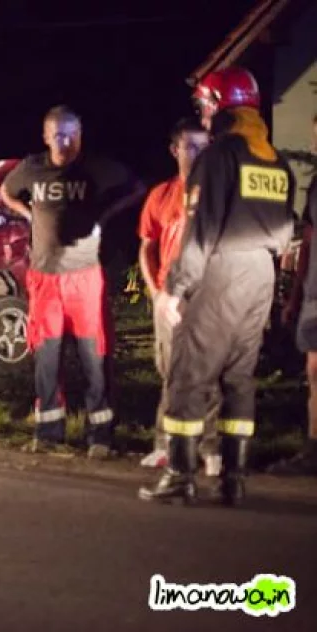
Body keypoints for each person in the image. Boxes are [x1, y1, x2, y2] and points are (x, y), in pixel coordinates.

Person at [140, 66, 296, 505]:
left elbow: (202, 231)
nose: (203, 114)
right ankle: (234, 480)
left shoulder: (219, 157)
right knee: (240, 378)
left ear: (219, 105)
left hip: (222, 270)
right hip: (262, 274)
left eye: (205, 105)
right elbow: (286, 234)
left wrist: (173, 288)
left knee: (188, 375)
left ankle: (180, 475)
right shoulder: (276, 162)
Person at [0, 104, 145, 458]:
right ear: (46, 136)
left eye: (72, 134)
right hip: (45, 279)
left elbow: (137, 188)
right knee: (46, 356)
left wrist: (105, 216)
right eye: (58, 135)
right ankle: (49, 432)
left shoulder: (97, 168)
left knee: (94, 356)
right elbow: (5, 192)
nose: (65, 143)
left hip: (84, 278)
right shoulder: (32, 168)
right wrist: (28, 213)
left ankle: (100, 436)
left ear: (80, 136)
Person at [137, 118, 222, 475]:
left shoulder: (219, 195)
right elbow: (146, 247)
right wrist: (156, 292)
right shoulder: (161, 195)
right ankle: (165, 444)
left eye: (202, 147)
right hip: (169, 298)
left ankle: (211, 448)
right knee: (171, 373)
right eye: (189, 146)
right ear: (175, 150)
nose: (196, 154)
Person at [275, 112, 317, 474]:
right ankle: (313, 449)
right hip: (314, 294)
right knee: (314, 371)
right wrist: (294, 295)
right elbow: (307, 239)